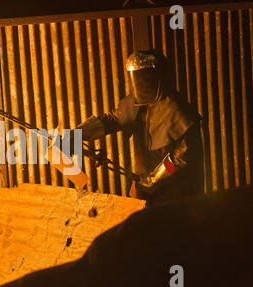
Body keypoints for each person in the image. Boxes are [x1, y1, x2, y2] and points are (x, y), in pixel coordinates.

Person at [75, 50, 204, 205]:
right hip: (143, 189)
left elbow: (181, 160)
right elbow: (112, 119)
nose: (140, 82)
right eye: (136, 76)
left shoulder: (179, 111)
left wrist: (153, 180)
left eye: (143, 76)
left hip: (175, 194)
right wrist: (77, 134)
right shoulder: (137, 104)